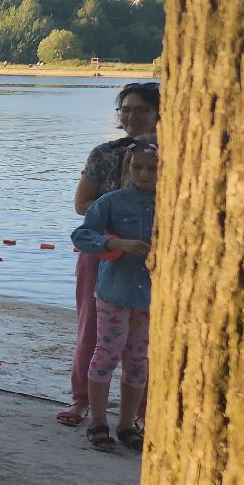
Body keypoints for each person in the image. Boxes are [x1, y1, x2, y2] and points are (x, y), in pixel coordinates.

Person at [60, 80, 160, 427]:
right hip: (102, 251)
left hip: (153, 257)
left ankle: (144, 411)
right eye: (125, 109)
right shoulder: (105, 153)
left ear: (159, 112)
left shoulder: (175, 153)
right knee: (93, 326)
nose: (131, 116)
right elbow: (81, 205)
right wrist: (115, 234)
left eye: (141, 109)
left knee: (149, 337)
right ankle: (81, 401)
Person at [69, 135, 156, 453]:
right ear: (129, 168)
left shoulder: (170, 206)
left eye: (151, 169)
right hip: (114, 292)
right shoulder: (111, 202)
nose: (144, 174)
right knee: (106, 353)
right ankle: (98, 422)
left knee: (138, 360)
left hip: (149, 296)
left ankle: (126, 423)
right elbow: (82, 235)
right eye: (138, 167)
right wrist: (116, 244)